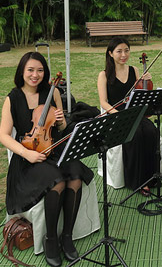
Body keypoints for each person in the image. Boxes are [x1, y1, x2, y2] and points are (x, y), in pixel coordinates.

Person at [0, 52, 94, 267]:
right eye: (30, 70)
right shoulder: (12, 98)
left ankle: (67, 237)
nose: (35, 75)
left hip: (53, 149)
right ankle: (51, 239)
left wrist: (61, 122)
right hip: (27, 158)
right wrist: (27, 154)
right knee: (57, 181)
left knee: (76, 175)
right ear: (22, 72)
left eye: (40, 70)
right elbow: (3, 135)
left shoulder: (52, 94)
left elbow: (59, 128)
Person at [97, 37, 159, 195]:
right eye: (119, 51)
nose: (123, 54)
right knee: (135, 135)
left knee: (152, 131)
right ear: (110, 53)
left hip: (135, 113)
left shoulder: (134, 71)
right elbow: (104, 102)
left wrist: (147, 81)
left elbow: (142, 94)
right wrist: (118, 114)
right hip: (116, 116)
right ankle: (137, 181)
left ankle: (151, 176)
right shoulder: (103, 75)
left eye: (126, 50)